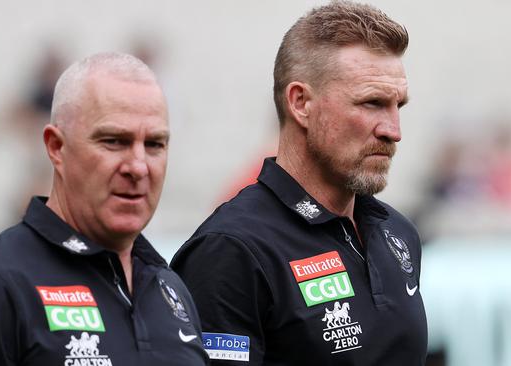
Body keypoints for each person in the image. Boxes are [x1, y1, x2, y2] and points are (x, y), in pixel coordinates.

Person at [0, 52, 209, 365]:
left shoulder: (171, 290)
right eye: (114, 141)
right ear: (56, 147)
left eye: (155, 144)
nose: (138, 166)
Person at [171, 1, 427, 365]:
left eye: (397, 106)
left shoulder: (398, 234)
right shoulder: (231, 251)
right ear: (301, 102)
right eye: (371, 103)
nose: (393, 131)